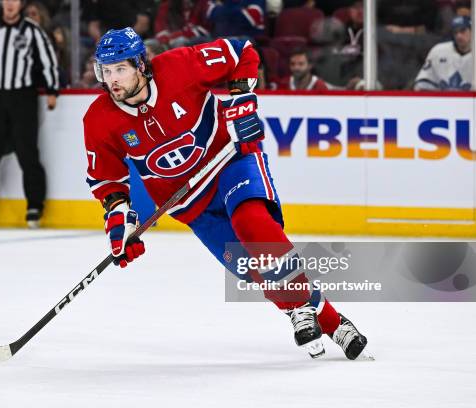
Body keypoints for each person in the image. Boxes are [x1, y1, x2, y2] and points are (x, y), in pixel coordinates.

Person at [83, 27, 370, 360]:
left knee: (253, 226)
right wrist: (119, 218)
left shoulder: (180, 65)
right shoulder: (98, 119)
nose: (113, 79)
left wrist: (241, 101)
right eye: (106, 70)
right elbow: (106, 179)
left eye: (120, 68)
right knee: (252, 267)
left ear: (141, 66)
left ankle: (305, 313)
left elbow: (242, 51)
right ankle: (327, 319)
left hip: (230, 161)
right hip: (190, 204)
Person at [0, 0, 59, 228]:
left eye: (14, 0)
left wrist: (52, 90)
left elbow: (48, 60)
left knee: (27, 152)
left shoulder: (31, 29)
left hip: (22, 97)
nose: (10, 4)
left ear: (21, 4)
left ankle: (35, 206)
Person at [414, 15, 473, 91]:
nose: (459, 36)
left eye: (463, 31)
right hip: (442, 101)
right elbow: (422, 85)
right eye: (455, 32)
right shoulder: (438, 51)